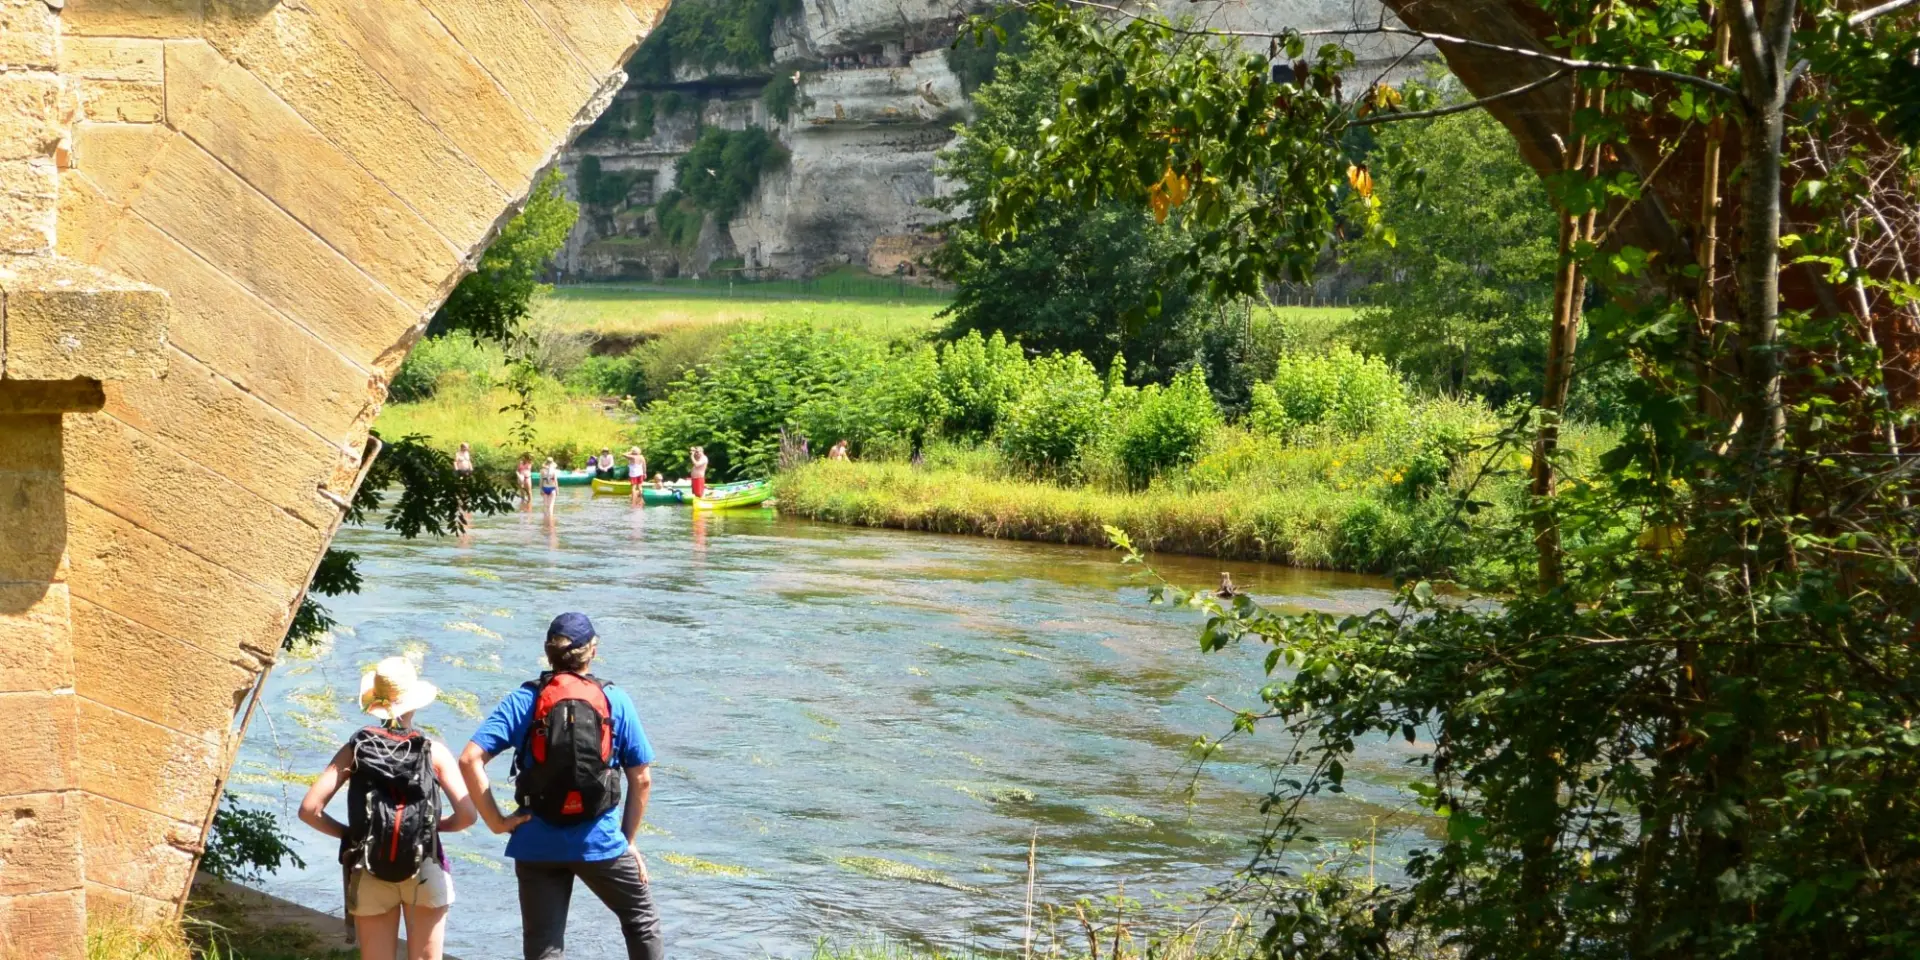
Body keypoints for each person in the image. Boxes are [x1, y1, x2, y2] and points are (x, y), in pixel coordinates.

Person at [458, 613, 662, 960]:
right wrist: (628, 841)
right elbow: (641, 778)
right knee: (640, 920)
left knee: (544, 944)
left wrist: (496, 821)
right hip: (600, 841)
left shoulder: (524, 700)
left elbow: (468, 760)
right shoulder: (615, 699)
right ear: (592, 652)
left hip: (536, 840)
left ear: (547, 652)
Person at [299, 657, 477, 960]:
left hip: (370, 868)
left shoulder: (356, 748)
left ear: (376, 703)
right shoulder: (432, 751)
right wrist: (433, 826)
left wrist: (352, 834)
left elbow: (309, 809)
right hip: (425, 865)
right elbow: (467, 816)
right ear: (414, 703)